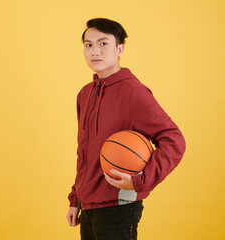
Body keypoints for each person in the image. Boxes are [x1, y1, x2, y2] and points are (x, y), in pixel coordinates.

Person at [66, 18, 186, 240]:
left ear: (119, 49)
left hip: (118, 207)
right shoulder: (85, 95)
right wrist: (76, 200)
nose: (95, 51)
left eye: (103, 44)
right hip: (89, 207)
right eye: (89, 44)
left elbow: (174, 139)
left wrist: (140, 181)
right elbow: (84, 154)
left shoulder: (133, 92)